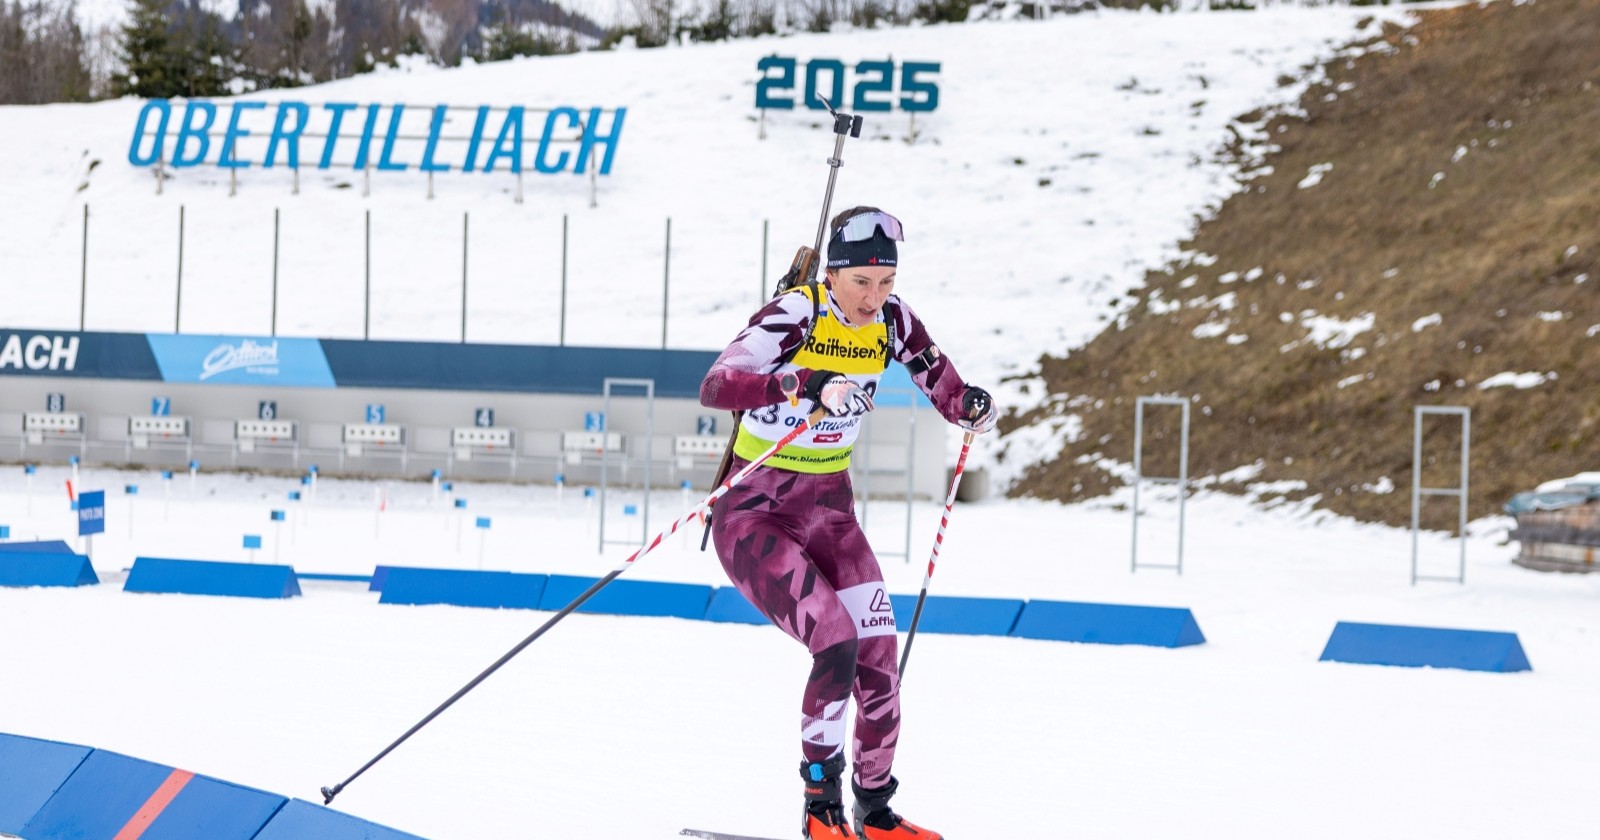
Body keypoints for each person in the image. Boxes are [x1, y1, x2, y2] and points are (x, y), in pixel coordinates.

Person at [699, 206, 997, 840]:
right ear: (833, 273)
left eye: (885, 282)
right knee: (834, 639)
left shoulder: (893, 320)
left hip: (830, 511)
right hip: (756, 511)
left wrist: (968, 404)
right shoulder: (796, 314)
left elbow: (943, 385)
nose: (874, 296)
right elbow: (718, 385)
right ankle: (819, 806)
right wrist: (806, 381)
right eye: (862, 281)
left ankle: (875, 810)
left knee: (880, 654)